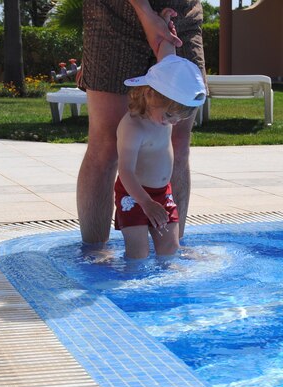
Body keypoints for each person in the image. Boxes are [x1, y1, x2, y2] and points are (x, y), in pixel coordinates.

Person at [76, 0, 205, 245]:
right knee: (106, 144)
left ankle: (173, 250)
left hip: (181, 11)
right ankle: (93, 253)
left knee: (178, 142)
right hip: (113, 11)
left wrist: (166, 31)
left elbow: (170, 60)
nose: (171, 121)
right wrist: (144, 11)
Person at [114, 15, 206, 259]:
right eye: (168, 115)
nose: (171, 122)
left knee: (170, 251)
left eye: (177, 118)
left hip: (162, 193)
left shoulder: (165, 97)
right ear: (150, 94)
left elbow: (168, 56)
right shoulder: (134, 127)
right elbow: (125, 171)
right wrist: (145, 202)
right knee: (139, 254)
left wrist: (165, 26)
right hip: (134, 195)